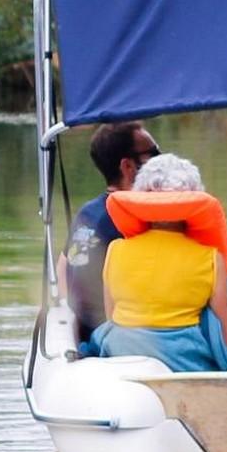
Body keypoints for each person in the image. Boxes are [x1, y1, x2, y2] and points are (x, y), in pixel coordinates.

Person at [93, 153, 227, 372]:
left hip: (122, 353)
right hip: (187, 364)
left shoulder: (115, 250)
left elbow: (112, 316)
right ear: (194, 200)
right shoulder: (211, 258)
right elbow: (226, 338)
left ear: (142, 197)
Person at [62, 120, 158, 344]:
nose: (160, 160)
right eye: (153, 154)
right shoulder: (131, 219)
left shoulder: (87, 213)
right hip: (117, 338)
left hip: (87, 334)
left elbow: (63, 266)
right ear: (127, 166)